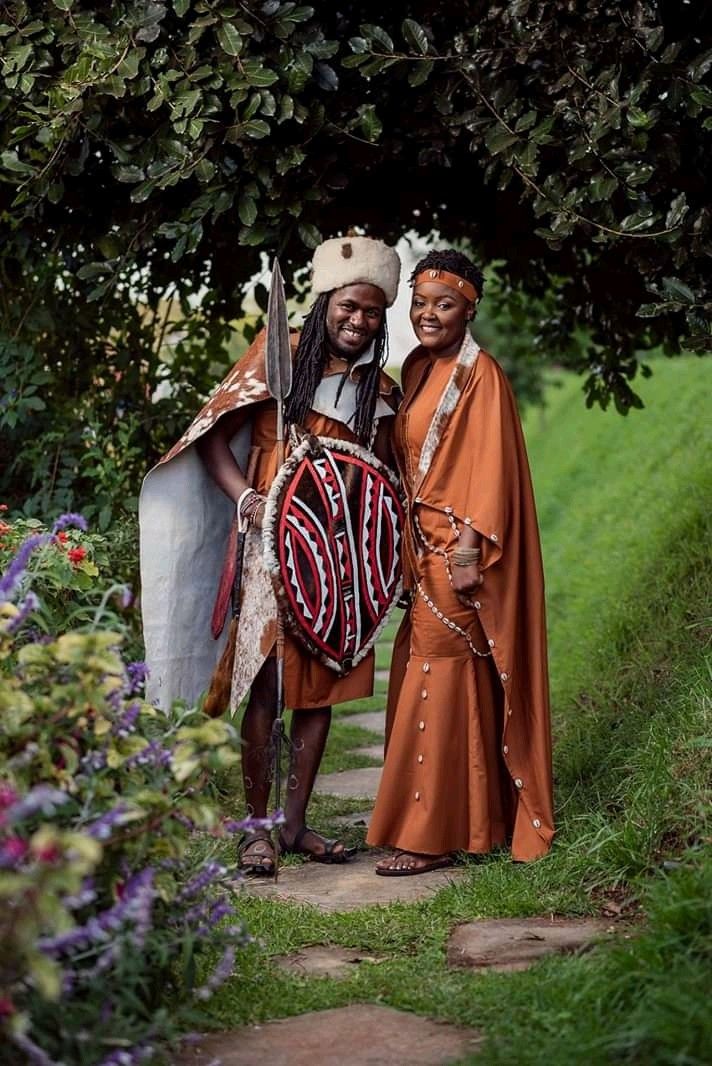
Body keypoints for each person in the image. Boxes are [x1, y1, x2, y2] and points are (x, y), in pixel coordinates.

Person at [139, 235, 401, 876]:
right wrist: (248, 497)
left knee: (319, 689)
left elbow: (383, 476)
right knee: (263, 685)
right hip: (265, 545)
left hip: (334, 553)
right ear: (326, 302)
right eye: (348, 306)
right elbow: (212, 441)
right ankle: (255, 828)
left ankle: (294, 824)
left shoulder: (380, 390)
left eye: (371, 312)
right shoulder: (275, 358)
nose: (357, 320)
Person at [366, 249, 554, 874]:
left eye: (443, 305)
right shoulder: (420, 368)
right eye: (419, 304)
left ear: (469, 309)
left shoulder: (482, 375)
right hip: (422, 547)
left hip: (459, 553)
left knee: (437, 674)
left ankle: (425, 837)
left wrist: (470, 550)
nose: (427, 315)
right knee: (454, 679)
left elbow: (487, 466)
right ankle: (477, 824)